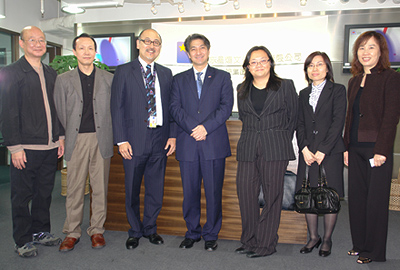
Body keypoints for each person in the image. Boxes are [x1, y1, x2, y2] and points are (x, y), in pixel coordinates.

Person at [0, 26, 63, 257]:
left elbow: (57, 110)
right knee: (21, 196)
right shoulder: (11, 72)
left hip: (50, 147)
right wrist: (14, 147)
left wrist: (60, 137)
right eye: (32, 40)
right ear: (22, 44)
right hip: (25, 148)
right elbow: (8, 114)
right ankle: (22, 240)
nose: (38, 44)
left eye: (42, 40)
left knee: (44, 193)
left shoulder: (50, 73)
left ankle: (40, 231)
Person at [111, 29, 176, 250]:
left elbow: (172, 108)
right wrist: (121, 140)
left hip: (160, 139)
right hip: (133, 140)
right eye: (147, 41)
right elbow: (116, 107)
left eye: (156, 42)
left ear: (160, 47)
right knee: (132, 188)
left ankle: (150, 228)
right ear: (138, 44)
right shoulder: (123, 71)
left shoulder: (166, 74)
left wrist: (173, 135)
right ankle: (134, 231)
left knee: (155, 189)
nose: (151, 45)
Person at [170, 33, 233, 251]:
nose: (198, 52)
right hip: (188, 144)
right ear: (188, 54)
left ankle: (211, 234)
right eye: (193, 49)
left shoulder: (223, 77)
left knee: (214, 192)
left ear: (208, 50)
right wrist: (193, 128)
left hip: (213, 143)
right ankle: (192, 232)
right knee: (190, 193)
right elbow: (175, 108)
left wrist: (205, 127)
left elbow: (225, 107)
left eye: (202, 47)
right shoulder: (178, 80)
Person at [235, 46, 298, 258]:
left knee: (272, 197)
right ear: (247, 67)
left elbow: (293, 117)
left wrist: (279, 139)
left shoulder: (285, 86)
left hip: (275, 148)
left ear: (270, 62)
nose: (258, 65)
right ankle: (249, 240)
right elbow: (245, 118)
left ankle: (266, 244)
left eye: (263, 60)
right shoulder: (241, 89)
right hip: (248, 147)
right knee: (246, 195)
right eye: (253, 62)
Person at [343, 31, 400, 264]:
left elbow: (391, 117)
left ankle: (374, 252)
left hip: (377, 150)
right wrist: (345, 147)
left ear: (381, 51)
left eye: (371, 48)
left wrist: (382, 150)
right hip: (354, 147)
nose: (365, 52)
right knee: (356, 199)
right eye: (361, 48)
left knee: (375, 202)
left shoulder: (391, 78)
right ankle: (359, 245)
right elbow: (350, 117)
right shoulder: (354, 80)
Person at [54, 33, 114, 252]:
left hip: (102, 139)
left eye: (90, 48)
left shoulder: (109, 78)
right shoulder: (63, 80)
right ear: (75, 52)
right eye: (82, 48)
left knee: (100, 188)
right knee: (75, 187)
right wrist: (62, 137)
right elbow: (59, 111)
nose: (87, 52)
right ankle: (72, 232)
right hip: (76, 139)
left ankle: (97, 230)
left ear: (95, 52)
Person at [296, 52, 347, 257]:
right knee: (308, 194)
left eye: (319, 64)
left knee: (328, 196)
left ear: (327, 68)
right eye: (310, 65)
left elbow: (338, 122)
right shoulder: (302, 93)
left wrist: (323, 149)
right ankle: (313, 237)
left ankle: (326, 239)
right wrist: (304, 148)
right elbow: (299, 123)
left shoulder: (338, 90)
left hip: (331, 152)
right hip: (308, 153)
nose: (314, 68)